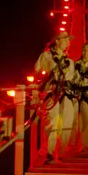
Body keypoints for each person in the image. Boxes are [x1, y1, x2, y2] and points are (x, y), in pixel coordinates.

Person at [33, 31, 76, 163]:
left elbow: (71, 79)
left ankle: (61, 152)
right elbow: (37, 72)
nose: (68, 43)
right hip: (51, 92)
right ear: (57, 41)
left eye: (68, 40)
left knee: (67, 122)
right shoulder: (46, 56)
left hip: (65, 93)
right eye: (65, 40)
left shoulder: (69, 62)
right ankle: (50, 153)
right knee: (52, 122)